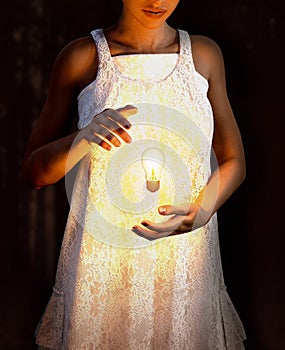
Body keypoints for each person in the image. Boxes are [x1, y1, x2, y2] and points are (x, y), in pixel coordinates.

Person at [23, 0, 247, 349]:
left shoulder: (204, 56)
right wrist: (83, 137)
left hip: (185, 267)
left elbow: (233, 158)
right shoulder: (83, 58)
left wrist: (205, 207)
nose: (157, 2)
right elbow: (35, 172)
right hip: (103, 270)